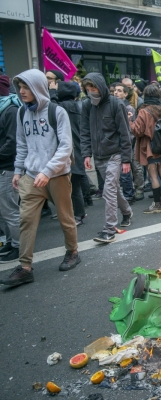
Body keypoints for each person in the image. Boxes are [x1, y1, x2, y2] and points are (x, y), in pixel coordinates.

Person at [1, 69, 80, 287]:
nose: (22, 91)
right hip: (31, 176)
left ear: (37, 87)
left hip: (57, 176)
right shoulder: (21, 112)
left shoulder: (57, 112)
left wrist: (48, 171)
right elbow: (22, 144)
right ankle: (25, 267)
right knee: (26, 220)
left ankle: (72, 252)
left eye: (26, 87)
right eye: (20, 87)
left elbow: (66, 147)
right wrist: (18, 171)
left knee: (65, 217)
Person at [80, 73, 133, 243]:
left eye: (93, 88)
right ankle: (127, 212)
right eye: (88, 89)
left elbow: (125, 133)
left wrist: (126, 159)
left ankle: (109, 228)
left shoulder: (116, 104)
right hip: (99, 155)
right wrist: (86, 153)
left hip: (115, 154)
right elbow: (85, 131)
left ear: (101, 87)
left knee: (108, 190)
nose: (91, 92)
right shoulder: (87, 105)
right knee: (113, 189)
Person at [49, 81, 87, 226]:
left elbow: (52, 108)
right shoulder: (78, 105)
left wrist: (52, 92)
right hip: (78, 148)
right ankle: (79, 213)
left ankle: (78, 214)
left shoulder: (64, 107)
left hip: (71, 150)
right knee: (74, 185)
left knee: (73, 187)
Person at [129, 85, 161, 214]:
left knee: (153, 177)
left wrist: (130, 120)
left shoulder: (144, 111)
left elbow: (137, 130)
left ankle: (157, 204)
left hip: (149, 147)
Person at [0, 75, 21, 263]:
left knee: (10, 210)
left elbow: (12, 143)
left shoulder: (10, 111)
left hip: (7, 168)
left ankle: (18, 245)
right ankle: (9, 241)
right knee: (2, 211)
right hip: (4, 167)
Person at [114, 83, 144, 202]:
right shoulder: (114, 105)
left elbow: (130, 128)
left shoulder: (129, 108)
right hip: (120, 141)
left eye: (119, 91)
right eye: (115, 90)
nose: (116, 92)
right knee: (125, 169)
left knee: (135, 166)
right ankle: (128, 190)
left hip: (131, 141)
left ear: (125, 94)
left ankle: (139, 189)